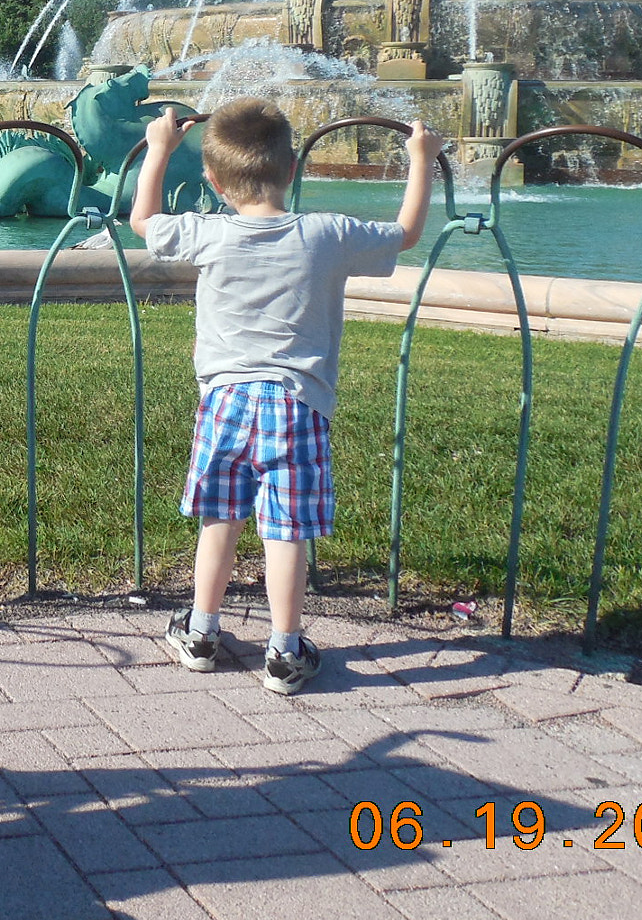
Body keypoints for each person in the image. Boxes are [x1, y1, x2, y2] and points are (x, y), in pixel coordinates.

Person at [129, 99, 438, 695]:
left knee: (220, 518)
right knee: (286, 527)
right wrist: (420, 159)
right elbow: (406, 234)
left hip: (225, 402)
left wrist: (161, 148)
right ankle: (285, 650)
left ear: (214, 182)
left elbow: (143, 219)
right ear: (292, 169)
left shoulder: (208, 232)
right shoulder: (327, 234)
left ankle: (200, 632)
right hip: (297, 406)